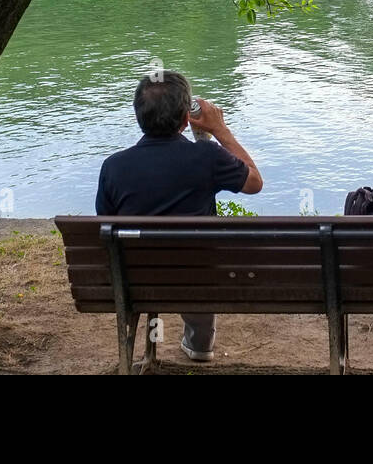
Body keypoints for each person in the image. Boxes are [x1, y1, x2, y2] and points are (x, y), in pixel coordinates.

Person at [95, 70, 263, 362]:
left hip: (135, 279)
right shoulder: (208, 156)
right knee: (197, 258)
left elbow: (106, 226)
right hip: (198, 276)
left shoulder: (113, 167)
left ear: (138, 116)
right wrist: (220, 130)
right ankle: (199, 344)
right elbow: (254, 183)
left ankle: (143, 342)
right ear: (187, 120)